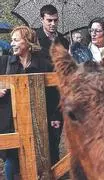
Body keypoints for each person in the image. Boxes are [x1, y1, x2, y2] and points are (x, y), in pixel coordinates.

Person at [0, 26, 52, 180]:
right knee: (11, 159)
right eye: (11, 40)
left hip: (36, 121)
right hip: (8, 120)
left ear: (28, 43)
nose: (12, 44)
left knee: (39, 159)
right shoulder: (3, 62)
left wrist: (54, 116)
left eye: (16, 40)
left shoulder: (44, 65)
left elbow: (54, 94)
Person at [36, 4, 67, 166]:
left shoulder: (64, 40)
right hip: (39, 94)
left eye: (55, 20)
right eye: (49, 20)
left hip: (58, 97)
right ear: (42, 19)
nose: (53, 24)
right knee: (40, 138)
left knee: (55, 137)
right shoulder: (33, 38)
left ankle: (55, 170)